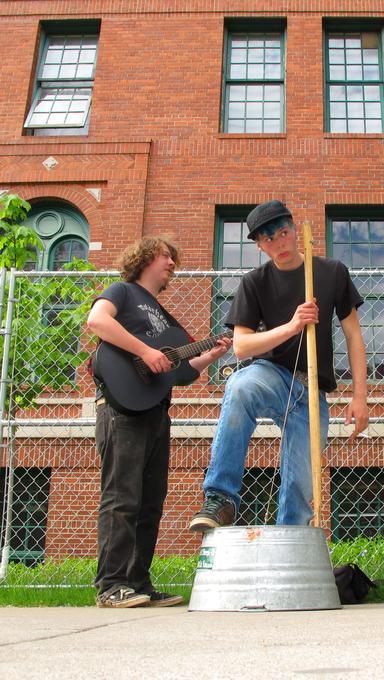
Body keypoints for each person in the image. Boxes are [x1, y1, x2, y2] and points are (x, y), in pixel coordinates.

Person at [189, 200, 369, 531]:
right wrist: (292, 326)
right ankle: (220, 499)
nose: (278, 244)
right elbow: (242, 346)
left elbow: (354, 335)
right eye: (268, 240)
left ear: (295, 229)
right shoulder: (254, 282)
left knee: (302, 486)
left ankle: (290, 555)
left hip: (312, 390)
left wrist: (360, 397)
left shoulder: (330, 273)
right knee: (240, 386)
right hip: (269, 375)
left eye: (283, 233)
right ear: (259, 245)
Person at [87, 236, 231, 608]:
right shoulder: (121, 291)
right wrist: (146, 351)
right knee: (122, 498)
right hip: (121, 408)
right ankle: (111, 586)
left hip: (155, 411)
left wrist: (210, 355)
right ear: (145, 258)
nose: (171, 263)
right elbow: (97, 320)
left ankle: (138, 583)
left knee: (150, 501)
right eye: (166, 256)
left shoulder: (164, 318)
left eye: (173, 258)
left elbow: (179, 374)